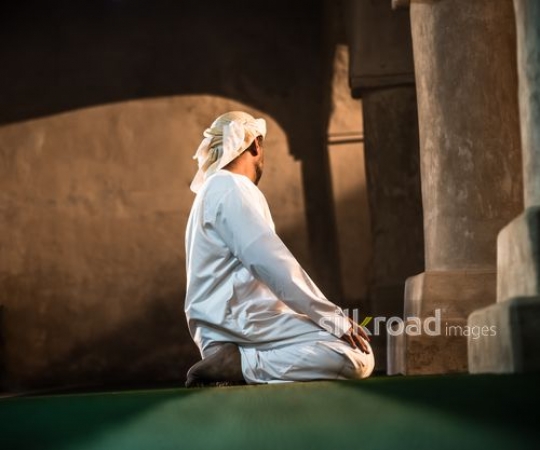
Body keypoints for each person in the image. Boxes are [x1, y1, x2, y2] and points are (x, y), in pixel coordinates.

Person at [184, 111, 374, 387]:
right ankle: (240, 364)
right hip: (242, 323)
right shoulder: (231, 186)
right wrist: (333, 318)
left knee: (339, 350)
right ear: (256, 145)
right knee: (357, 355)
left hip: (231, 326)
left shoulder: (213, 190)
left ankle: (239, 362)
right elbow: (272, 263)